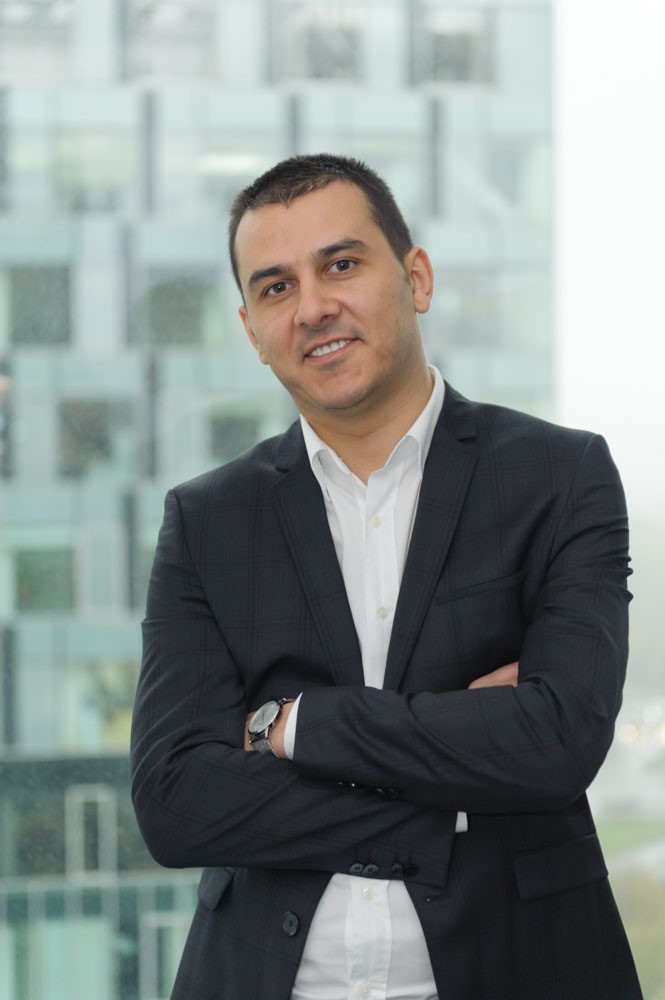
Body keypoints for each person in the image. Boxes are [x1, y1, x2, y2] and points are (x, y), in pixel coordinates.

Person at [130, 153, 642, 1000]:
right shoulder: (206, 520)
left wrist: (293, 726)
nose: (312, 307)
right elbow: (175, 802)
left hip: (521, 967)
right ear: (252, 331)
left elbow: (558, 744)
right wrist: (458, 786)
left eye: (339, 265)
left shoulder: (559, 477)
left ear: (416, 278)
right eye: (276, 287)